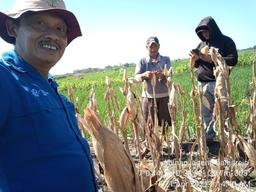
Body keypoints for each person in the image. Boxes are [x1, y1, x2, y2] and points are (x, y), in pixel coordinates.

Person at [0, 0, 97, 191]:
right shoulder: (4, 79)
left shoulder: (53, 90)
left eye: (60, 29)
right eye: (40, 23)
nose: (53, 35)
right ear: (12, 28)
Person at [190, 16, 238, 142]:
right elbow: (198, 64)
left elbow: (233, 59)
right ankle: (209, 137)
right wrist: (195, 60)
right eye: (202, 33)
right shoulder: (201, 44)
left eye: (206, 31)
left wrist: (214, 58)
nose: (204, 34)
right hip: (203, 84)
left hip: (219, 82)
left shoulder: (226, 41)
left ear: (213, 30)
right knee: (206, 113)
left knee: (223, 111)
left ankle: (227, 139)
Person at [135, 36, 172, 127]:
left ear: (159, 46)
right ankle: (150, 141)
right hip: (148, 97)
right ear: (147, 47)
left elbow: (170, 74)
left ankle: (164, 140)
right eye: (151, 47)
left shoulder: (165, 59)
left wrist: (163, 74)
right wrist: (145, 75)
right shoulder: (142, 61)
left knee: (164, 124)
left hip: (164, 95)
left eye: (155, 46)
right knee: (149, 124)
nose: (153, 49)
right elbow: (136, 77)